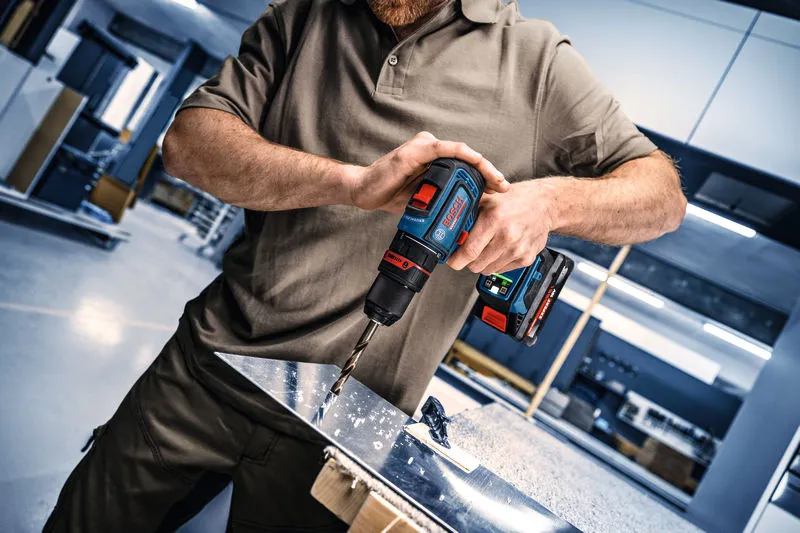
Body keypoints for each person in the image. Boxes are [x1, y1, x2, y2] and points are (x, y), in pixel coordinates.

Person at [45, 0, 687, 531]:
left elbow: (661, 196)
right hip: (206, 369)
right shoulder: (300, 17)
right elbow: (189, 145)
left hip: (352, 430)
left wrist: (549, 201)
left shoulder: (538, 62)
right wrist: (354, 183)